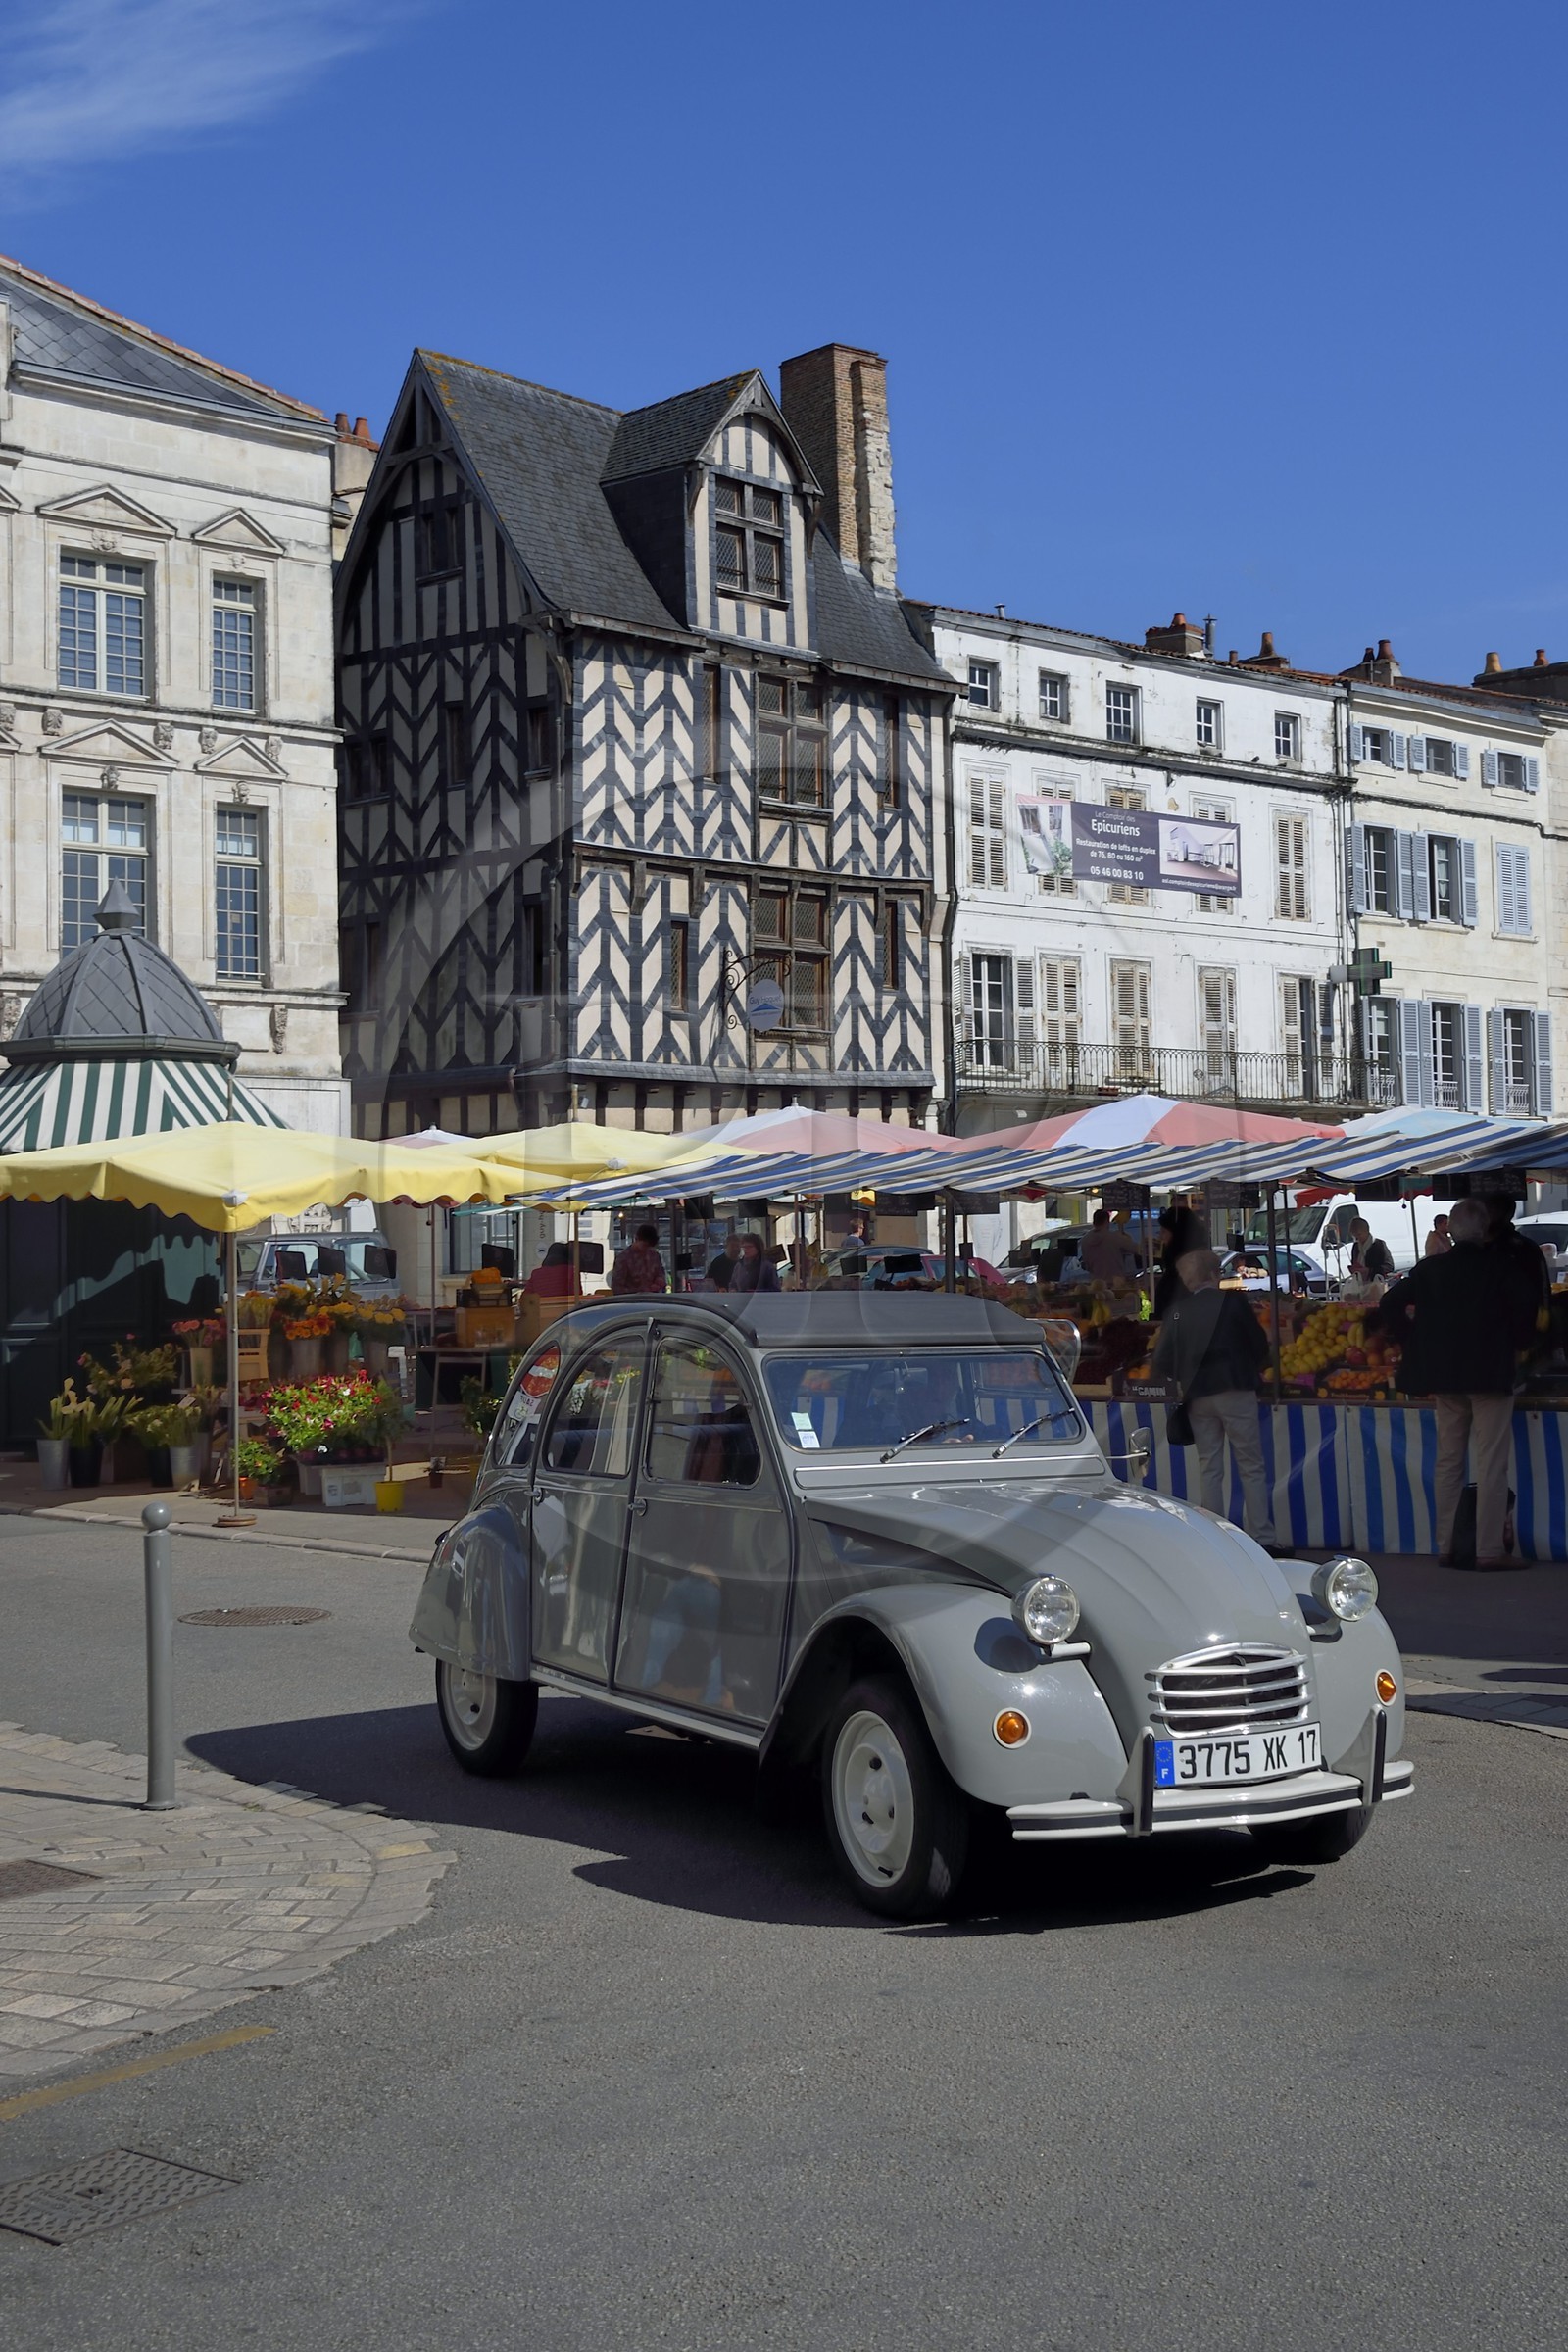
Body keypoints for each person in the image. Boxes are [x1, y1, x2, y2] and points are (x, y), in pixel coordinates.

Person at [1375, 1195, 1539, 1569]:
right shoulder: (1502, 1268)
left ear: (1451, 1229)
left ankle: (1446, 1545)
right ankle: (1488, 1550)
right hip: (1490, 1374)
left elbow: (1389, 1304)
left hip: (1445, 1377)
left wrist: (1412, 1337)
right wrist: (1518, 1344)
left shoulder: (1431, 1269)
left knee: (1449, 1460)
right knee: (1491, 1462)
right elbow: (1526, 1316)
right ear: (1483, 1231)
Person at [1152, 1248, 1274, 1545]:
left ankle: (1215, 1537)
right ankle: (1262, 1537)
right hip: (1235, 1388)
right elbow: (1259, 1345)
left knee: (1209, 1466)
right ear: (1213, 1274)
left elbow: (1163, 1359)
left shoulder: (1179, 1310)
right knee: (1250, 1466)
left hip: (1198, 1396)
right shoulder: (1233, 1303)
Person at [1152, 1200, 1205, 1318]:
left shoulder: (1187, 1272)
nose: (1160, 1237)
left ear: (1178, 1235)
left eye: (1164, 1232)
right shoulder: (1180, 1266)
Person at [1081, 1208, 1141, 1284]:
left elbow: (1087, 1264)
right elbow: (1136, 1249)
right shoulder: (1115, 1237)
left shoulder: (1084, 1240)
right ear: (1107, 1221)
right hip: (1115, 1282)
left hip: (1096, 1283)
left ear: (1094, 1222)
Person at [610, 1223, 666, 1296]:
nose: (647, 1249)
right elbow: (617, 1287)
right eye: (644, 1245)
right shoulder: (624, 1258)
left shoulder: (654, 1255)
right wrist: (640, 1291)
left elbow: (661, 1274)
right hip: (632, 1302)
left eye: (650, 1246)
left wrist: (659, 1282)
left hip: (652, 1299)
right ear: (636, 1239)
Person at [1348, 1218, 1395, 1291]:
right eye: (1354, 1235)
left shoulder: (1379, 1245)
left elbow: (1389, 1266)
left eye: (1359, 1234)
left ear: (1366, 1231)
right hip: (1360, 1285)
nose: (1357, 1238)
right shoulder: (1356, 1246)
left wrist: (1369, 1270)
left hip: (1376, 1285)